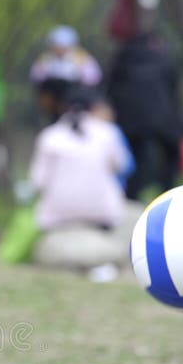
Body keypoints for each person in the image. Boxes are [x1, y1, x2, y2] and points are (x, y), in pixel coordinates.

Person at [25, 85, 141, 279]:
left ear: (62, 107)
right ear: (93, 107)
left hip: (56, 217)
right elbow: (122, 166)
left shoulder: (49, 136)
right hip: (103, 216)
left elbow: (37, 181)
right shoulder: (108, 133)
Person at [105, 20, 183, 200]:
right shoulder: (163, 58)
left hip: (131, 120)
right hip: (163, 118)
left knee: (135, 157)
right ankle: (168, 192)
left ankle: (132, 195)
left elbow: (110, 88)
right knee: (169, 155)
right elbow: (173, 89)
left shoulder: (122, 58)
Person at [29, 25, 102, 87]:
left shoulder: (81, 58)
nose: (59, 50)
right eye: (56, 46)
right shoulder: (45, 59)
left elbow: (93, 77)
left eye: (63, 47)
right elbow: (36, 77)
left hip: (75, 91)